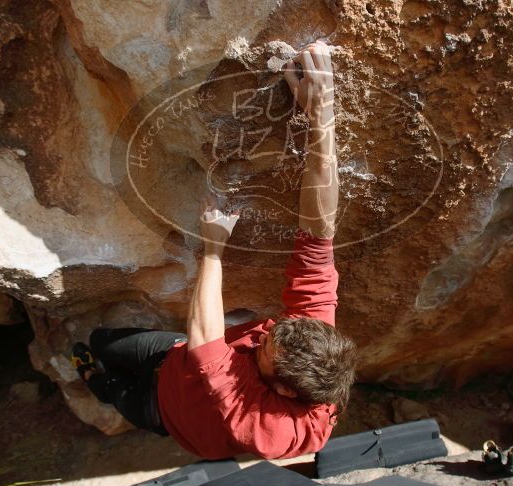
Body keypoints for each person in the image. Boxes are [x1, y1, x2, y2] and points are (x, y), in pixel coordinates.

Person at [70, 41, 357, 459]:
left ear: (281, 387)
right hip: (175, 361)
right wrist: (322, 118)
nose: (261, 335)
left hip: (167, 412)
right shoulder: (314, 343)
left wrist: (214, 246)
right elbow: (319, 230)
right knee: (104, 339)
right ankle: (99, 361)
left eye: (264, 348)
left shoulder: (266, 428)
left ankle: (96, 382)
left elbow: (206, 335)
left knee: (117, 392)